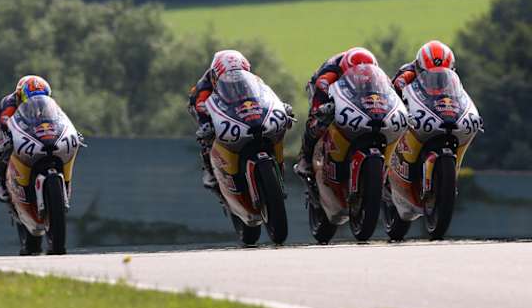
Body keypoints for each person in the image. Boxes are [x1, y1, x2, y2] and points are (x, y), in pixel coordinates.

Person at [187, 50, 294, 190]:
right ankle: (210, 171)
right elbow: (199, 107)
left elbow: (265, 94)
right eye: (228, 77)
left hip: (246, 111)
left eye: (238, 75)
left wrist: (280, 107)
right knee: (207, 139)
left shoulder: (252, 78)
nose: (234, 80)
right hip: (215, 112)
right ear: (215, 77)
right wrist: (206, 125)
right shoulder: (202, 89)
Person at [293, 47, 378, 178]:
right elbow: (321, 90)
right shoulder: (330, 74)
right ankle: (305, 158)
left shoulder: (376, 72)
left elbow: (389, 90)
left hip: (358, 94)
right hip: (322, 91)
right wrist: (323, 107)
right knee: (318, 121)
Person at [0, 75, 54, 202]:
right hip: (1, 127)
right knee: (5, 150)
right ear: (20, 96)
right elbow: (6, 123)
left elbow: (55, 120)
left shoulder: (47, 104)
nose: (36, 102)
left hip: (30, 124)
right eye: (30, 99)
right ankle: (2, 185)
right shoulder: (10, 104)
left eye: (40, 99)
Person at [392, 40, 456, 96]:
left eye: (441, 77)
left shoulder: (452, 82)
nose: (436, 81)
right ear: (418, 69)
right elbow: (397, 87)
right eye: (430, 76)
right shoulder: (408, 75)